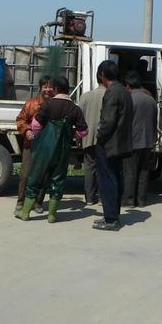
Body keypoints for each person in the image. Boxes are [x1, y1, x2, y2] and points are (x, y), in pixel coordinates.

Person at [15, 76, 87, 223]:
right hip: (63, 150)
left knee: (34, 177)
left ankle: (25, 213)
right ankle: (52, 215)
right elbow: (83, 131)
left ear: (55, 89)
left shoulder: (48, 105)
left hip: (43, 149)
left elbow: (35, 125)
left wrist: (37, 135)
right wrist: (73, 134)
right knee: (57, 180)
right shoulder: (75, 109)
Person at [92, 60, 133, 231]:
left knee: (107, 180)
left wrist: (99, 137)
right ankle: (112, 215)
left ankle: (111, 219)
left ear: (102, 74)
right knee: (115, 179)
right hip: (121, 143)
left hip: (109, 145)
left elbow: (107, 122)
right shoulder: (124, 91)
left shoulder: (112, 92)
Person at [14, 75, 54, 214]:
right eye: (45, 87)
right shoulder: (31, 103)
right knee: (25, 175)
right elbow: (20, 120)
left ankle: (38, 202)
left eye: (50, 87)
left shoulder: (55, 105)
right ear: (40, 88)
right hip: (30, 145)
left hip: (47, 147)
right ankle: (20, 201)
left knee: (43, 175)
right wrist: (27, 131)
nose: (48, 90)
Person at [121, 70, 157, 208]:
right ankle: (141, 200)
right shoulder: (151, 100)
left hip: (132, 142)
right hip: (148, 142)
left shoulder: (129, 99)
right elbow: (154, 122)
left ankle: (129, 200)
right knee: (143, 172)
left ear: (128, 85)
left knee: (130, 172)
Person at [79, 66, 107, 205]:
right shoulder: (110, 95)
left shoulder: (85, 96)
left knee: (89, 169)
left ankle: (89, 198)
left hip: (88, 139)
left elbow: (80, 119)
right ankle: (102, 198)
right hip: (105, 140)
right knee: (104, 169)